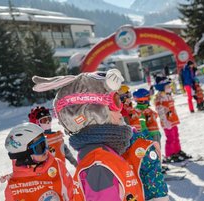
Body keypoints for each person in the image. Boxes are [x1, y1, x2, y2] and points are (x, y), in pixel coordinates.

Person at [32, 69, 145, 201]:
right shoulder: (98, 165)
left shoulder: (103, 155)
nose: (121, 109)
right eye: (116, 101)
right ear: (91, 113)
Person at [2, 122, 74, 200]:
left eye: (46, 143)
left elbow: (73, 194)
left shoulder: (57, 166)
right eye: (40, 147)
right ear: (25, 155)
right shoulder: (14, 187)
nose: (47, 150)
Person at [154, 77, 191, 163]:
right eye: (167, 87)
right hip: (167, 122)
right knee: (170, 138)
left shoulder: (168, 96)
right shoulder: (159, 98)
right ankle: (169, 155)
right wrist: (165, 121)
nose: (170, 88)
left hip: (173, 119)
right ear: (162, 88)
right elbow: (160, 111)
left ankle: (177, 151)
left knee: (176, 136)